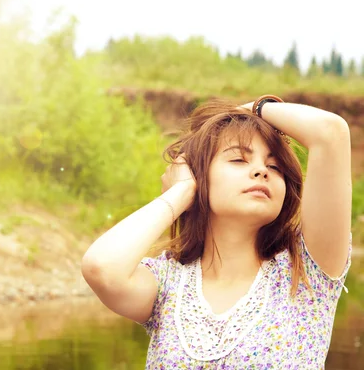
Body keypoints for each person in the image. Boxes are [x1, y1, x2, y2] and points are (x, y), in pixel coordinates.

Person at [81, 96, 352, 368]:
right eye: (238, 159)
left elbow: (330, 133)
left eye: (274, 166)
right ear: (199, 177)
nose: (261, 171)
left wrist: (247, 110)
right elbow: (101, 269)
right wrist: (182, 191)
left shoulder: (306, 271)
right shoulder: (168, 284)